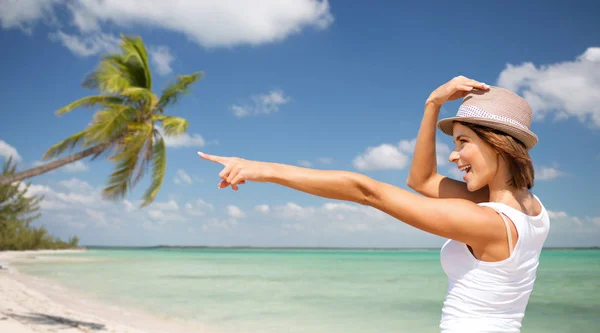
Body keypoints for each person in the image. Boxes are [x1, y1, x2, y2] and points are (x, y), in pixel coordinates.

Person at [197, 75, 550, 332]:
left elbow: (367, 191)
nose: (455, 156)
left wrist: (265, 169)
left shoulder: (485, 222)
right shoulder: (533, 210)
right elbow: (422, 181)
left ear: (498, 143)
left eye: (463, 142)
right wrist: (433, 105)